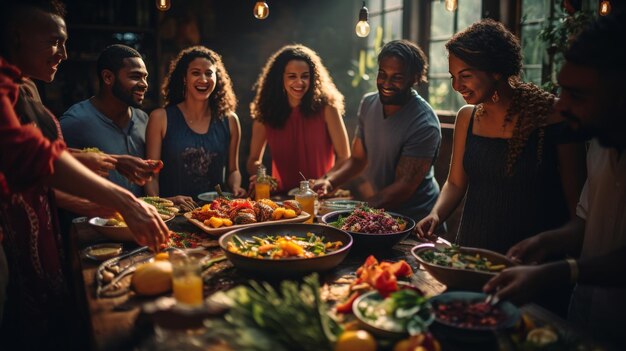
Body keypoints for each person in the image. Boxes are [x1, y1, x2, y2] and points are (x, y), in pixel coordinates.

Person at [0, 1, 168, 349]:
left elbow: (51, 154)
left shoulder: (21, 84)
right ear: (17, 36)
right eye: (54, 41)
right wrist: (123, 201)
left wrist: (114, 161)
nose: (63, 52)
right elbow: (25, 152)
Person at [484, 11, 626, 348]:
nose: (561, 106)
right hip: (587, 315)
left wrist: (559, 271)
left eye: (577, 95)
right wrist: (547, 241)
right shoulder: (601, 144)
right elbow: (585, 222)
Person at [416, 19, 587, 254]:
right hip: (472, 252)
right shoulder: (467, 117)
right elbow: (455, 183)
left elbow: (578, 207)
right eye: (452, 76)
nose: (456, 86)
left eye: (465, 75)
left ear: (496, 70)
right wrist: (436, 214)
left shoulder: (556, 117)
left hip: (531, 261)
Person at [314, 40, 441, 223]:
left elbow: (404, 186)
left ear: (413, 78)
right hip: (378, 211)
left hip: (416, 219)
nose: (386, 83)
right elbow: (358, 159)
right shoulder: (368, 103)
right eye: (382, 74)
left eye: (397, 77)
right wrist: (330, 181)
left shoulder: (424, 123)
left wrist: (360, 210)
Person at [247, 44, 350, 193]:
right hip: (282, 199)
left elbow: (344, 157)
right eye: (292, 76)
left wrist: (326, 179)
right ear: (279, 78)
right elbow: (253, 159)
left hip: (321, 197)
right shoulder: (266, 113)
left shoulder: (328, 109)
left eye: (305, 76)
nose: (299, 82)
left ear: (313, 78)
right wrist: (262, 176)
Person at [145, 46, 245, 200]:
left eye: (209, 73)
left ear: (217, 78)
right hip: (175, 215)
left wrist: (236, 186)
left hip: (216, 217)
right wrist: (165, 203)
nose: (203, 79)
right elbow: (151, 176)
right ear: (184, 78)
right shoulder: (160, 118)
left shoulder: (230, 120)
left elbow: (233, 171)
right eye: (196, 73)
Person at [60, 44, 157, 197]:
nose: (144, 84)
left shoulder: (143, 119)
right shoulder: (75, 122)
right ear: (108, 77)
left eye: (145, 77)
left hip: (136, 218)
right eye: (135, 77)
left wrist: (166, 203)